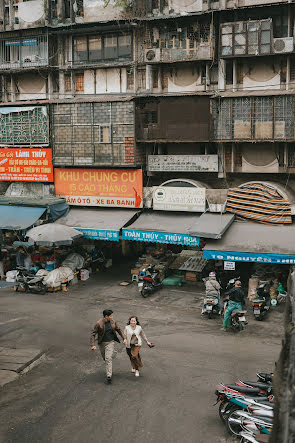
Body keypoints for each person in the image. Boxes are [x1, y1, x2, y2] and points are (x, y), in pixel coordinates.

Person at [90, 309, 126, 384]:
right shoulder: (99, 323)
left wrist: (124, 338)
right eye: (111, 316)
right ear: (106, 316)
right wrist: (92, 345)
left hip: (110, 342)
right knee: (105, 358)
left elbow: (119, 330)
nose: (112, 317)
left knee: (108, 358)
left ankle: (109, 376)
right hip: (102, 343)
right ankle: (109, 365)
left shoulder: (113, 322)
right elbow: (93, 334)